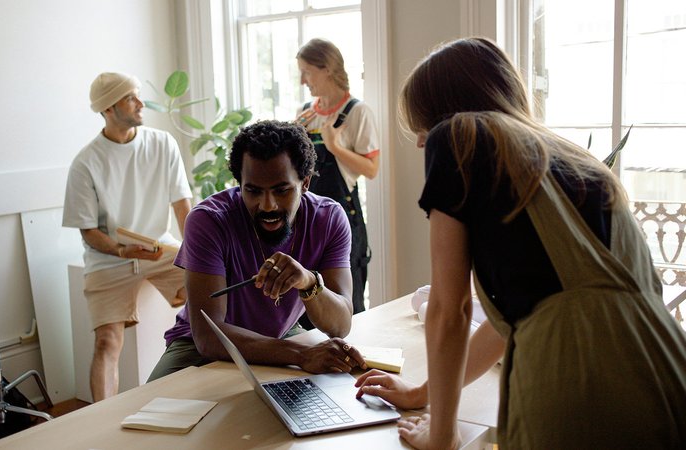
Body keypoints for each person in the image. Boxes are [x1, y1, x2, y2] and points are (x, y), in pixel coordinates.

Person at [361, 37, 686, 449]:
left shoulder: (457, 136)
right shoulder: (577, 164)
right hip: (667, 368)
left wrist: (441, 434)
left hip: (577, 383)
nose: (424, 142)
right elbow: (524, 319)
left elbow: (450, 310)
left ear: (445, 113)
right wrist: (422, 393)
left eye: (423, 127)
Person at [147, 120, 367, 381]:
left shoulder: (328, 218)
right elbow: (208, 336)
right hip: (200, 348)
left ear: (305, 183)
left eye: (281, 190)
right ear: (239, 183)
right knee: (146, 410)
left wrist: (308, 281)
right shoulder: (208, 221)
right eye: (252, 191)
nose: (267, 205)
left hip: (281, 335)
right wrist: (299, 354)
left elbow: (340, 325)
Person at [63, 72, 193, 402]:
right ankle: (100, 422)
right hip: (109, 259)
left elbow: (182, 207)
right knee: (107, 342)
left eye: (137, 95)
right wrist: (124, 251)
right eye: (130, 98)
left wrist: (197, 255)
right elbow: (89, 232)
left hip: (160, 249)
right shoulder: (85, 163)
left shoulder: (162, 144)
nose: (140, 103)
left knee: (211, 291)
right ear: (108, 108)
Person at [295, 38, 380, 318]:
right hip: (306, 221)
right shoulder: (306, 113)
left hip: (343, 220)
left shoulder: (358, 112)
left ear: (327, 69)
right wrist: (293, 134)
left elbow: (371, 169)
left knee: (347, 305)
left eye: (307, 71)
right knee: (307, 306)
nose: (302, 80)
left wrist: (335, 147)